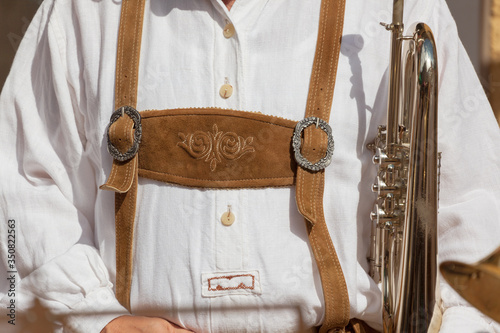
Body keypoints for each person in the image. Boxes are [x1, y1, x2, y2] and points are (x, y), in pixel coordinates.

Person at [1, 0, 499, 332]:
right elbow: (16, 191)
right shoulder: (81, 10)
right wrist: (98, 322)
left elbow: (476, 222)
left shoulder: (399, 8)